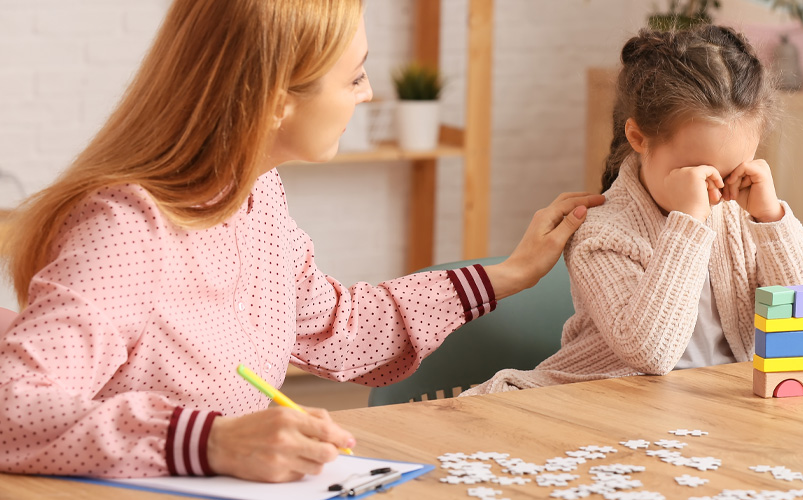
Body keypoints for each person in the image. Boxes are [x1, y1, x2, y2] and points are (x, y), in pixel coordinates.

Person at [0, 0, 604, 482]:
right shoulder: (126, 228)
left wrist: (510, 274)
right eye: (357, 75)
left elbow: (337, 325)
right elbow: (11, 407)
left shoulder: (257, 197)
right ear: (274, 102)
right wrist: (209, 441)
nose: (367, 94)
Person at [464, 25, 803, 395]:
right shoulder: (600, 233)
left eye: (731, 172)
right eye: (697, 171)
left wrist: (773, 221)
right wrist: (688, 225)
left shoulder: (746, 216)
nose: (717, 191)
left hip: (721, 411)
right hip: (612, 406)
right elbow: (652, 353)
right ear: (638, 138)